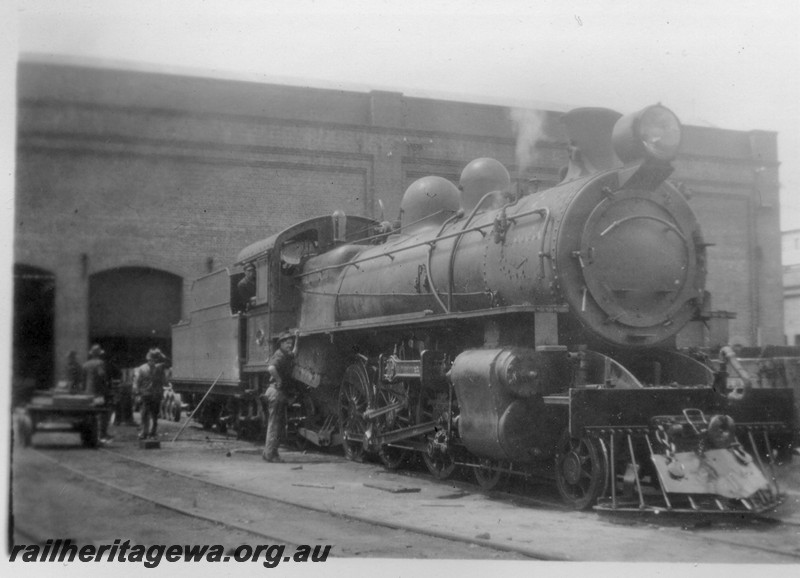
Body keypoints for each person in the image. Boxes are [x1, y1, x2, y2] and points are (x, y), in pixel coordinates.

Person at [262, 330, 299, 463]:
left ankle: (269, 452)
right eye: (288, 343)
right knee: (275, 425)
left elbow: (294, 353)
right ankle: (270, 455)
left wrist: (298, 338)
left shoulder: (286, 354)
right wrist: (279, 380)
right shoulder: (279, 355)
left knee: (277, 424)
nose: (290, 345)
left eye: (291, 343)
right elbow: (271, 368)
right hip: (276, 392)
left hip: (278, 394)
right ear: (281, 343)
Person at [133, 348, 168, 440]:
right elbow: (136, 382)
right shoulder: (141, 369)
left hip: (156, 395)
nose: (153, 362)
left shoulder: (159, 368)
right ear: (148, 360)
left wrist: (160, 354)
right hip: (145, 394)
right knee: (144, 414)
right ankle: (144, 432)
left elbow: (167, 363)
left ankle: (153, 432)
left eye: (155, 360)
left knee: (155, 415)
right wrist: (137, 394)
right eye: (152, 360)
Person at [82, 344, 112, 443]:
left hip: (87, 394)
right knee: (103, 413)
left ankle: (89, 434)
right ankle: (102, 434)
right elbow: (102, 375)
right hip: (98, 394)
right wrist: (106, 386)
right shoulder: (100, 363)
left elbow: (83, 380)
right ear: (99, 354)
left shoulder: (85, 364)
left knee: (89, 414)